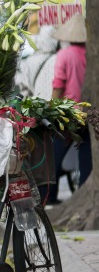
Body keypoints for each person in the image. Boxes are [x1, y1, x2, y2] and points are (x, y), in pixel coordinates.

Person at [45, 14, 91, 205]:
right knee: (86, 155)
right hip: (89, 113)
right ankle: (84, 195)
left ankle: (50, 196)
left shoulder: (64, 55)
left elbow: (58, 86)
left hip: (68, 114)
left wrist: (50, 110)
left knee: (54, 155)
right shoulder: (91, 54)